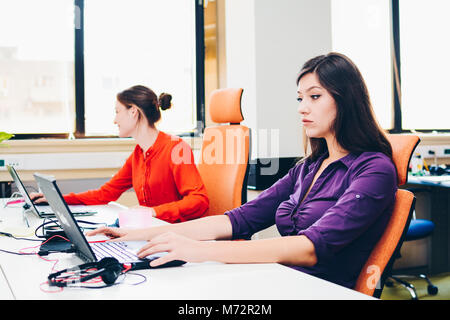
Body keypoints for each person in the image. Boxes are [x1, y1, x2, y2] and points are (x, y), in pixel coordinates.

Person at [87, 53, 397, 289]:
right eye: (300, 98)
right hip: (280, 278)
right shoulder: (308, 168)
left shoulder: (374, 170)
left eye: (315, 97)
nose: (302, 107)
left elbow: (311, 248)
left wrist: (200, 251)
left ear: (347, 100)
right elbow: (238, 219)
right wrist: (135, 235)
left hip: (317, 289)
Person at [31, 85, 209, 223]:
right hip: (151, 231)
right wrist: (58, 199)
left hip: (177, 235)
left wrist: (152, 212)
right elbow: (105, 194)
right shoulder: (138, 154)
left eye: (117, 112)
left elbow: (199, 200)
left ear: (133, 112)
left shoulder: (176, 148)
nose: (115, 120)